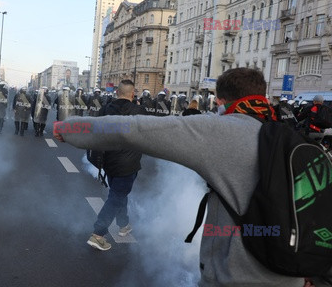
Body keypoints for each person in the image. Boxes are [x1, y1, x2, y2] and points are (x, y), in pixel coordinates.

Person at [54, 68, 325, 286]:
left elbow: (131, 129)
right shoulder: (296, 141)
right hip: (294, 274)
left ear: (220, 101)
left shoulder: (222, 131)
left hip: (234, 278)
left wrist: (68, 128)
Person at [82, 79, 147, 251]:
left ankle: (123, 225)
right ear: (132, 94)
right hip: (128, 163)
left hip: (108, 162)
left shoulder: (105, 109)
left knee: (118, 193)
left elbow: (97, 133)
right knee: (117, 196)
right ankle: (98, 234)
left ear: (117, 93)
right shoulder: (139, 111)